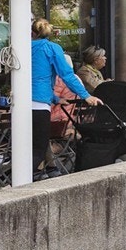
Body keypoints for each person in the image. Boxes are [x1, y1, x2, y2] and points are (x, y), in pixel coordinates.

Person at [32, 19, 100, 178]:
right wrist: (86, 96)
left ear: (32, 33)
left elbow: (33, 78)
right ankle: (30, 176)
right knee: (39, 146)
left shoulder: (23, 47)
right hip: (39, 103)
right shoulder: (52, 49)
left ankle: (48, 170)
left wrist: (55, 99)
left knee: (34, 142)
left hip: (20, 103)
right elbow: (67, 75)